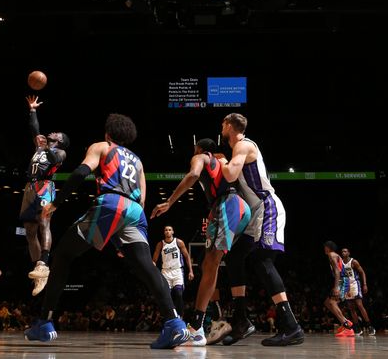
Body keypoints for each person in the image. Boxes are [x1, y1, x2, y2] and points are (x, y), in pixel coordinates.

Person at [24, 113, 189, 349]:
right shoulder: (138, 160)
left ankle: (45, 322)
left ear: (108, 132)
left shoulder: (102, 146)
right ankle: (175, 323)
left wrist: (55, 203)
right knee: (147, 267)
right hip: (134, 211)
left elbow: (81, 173)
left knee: (62, 255)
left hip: (112, 203)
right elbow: (142, 199)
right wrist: (121, 237)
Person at [151, 137, 252, 346]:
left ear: (199, 148)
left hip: (227, 205)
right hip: (241, 207)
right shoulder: (222, 159)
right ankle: (216, 318)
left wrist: (169, 202)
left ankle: (198, 327)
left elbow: (194, 174)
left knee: (210, 264)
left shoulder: (200, 157)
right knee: (211, 264)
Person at [219, 113, 305, 346]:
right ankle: (241, 320)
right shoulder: (241, 147)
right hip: (255, 212)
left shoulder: (243, 145)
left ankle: (291, 327)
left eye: (223, 125)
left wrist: (220, 161)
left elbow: (230, 174)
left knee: (262, 262)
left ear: (229, 126)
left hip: (267, 207)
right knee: (235, 257)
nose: (221, 129)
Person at [22, 95, 70, 296]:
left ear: (59, 140)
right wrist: (33, 110)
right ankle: (38, 271)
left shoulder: (60, 153)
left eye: (55, 133)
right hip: (29, 187)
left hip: (45, 187)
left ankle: (44, 262)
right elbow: (34, 129)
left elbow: (52, 157)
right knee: (29, 231)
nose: (51, 132)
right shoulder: (40, 145)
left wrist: (45, 144)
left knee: (44, 223)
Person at [152, 225, 194, 318]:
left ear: (173, 232)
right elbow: (154, 260)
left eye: (169, 230)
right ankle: (170, 316)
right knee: (166, 296)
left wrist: (191, 271)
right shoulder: (160, 244)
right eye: (166, 230)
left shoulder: (179, 242)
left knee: (179, 294)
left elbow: (187, 256)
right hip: (165, 272)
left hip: (177, 271)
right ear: (164, 232)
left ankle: (180, 316)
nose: (167, 231)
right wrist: (153, 265)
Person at [340, 248, 375, 335]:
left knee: (359, 305)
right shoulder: (340, 263)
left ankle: (369, 325)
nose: (343, 253)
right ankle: (357, 328)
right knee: (351, 308)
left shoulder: (353, 261)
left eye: (345, 251)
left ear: (349, 253)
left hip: (355, 284)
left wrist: (365, 284)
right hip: (346, 285)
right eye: (342, 252)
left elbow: (362, 272)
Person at [324, 241, 355, 336]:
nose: (324, 249)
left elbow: (337, 271)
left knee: (332, 303)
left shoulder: (331, 255)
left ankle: (347, 327)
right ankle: (346, 322)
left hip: (342, 280)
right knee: (327, 303)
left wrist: (336, 287)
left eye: (325, 247)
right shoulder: (335, 255)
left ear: (328, 247)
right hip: (342, 280)